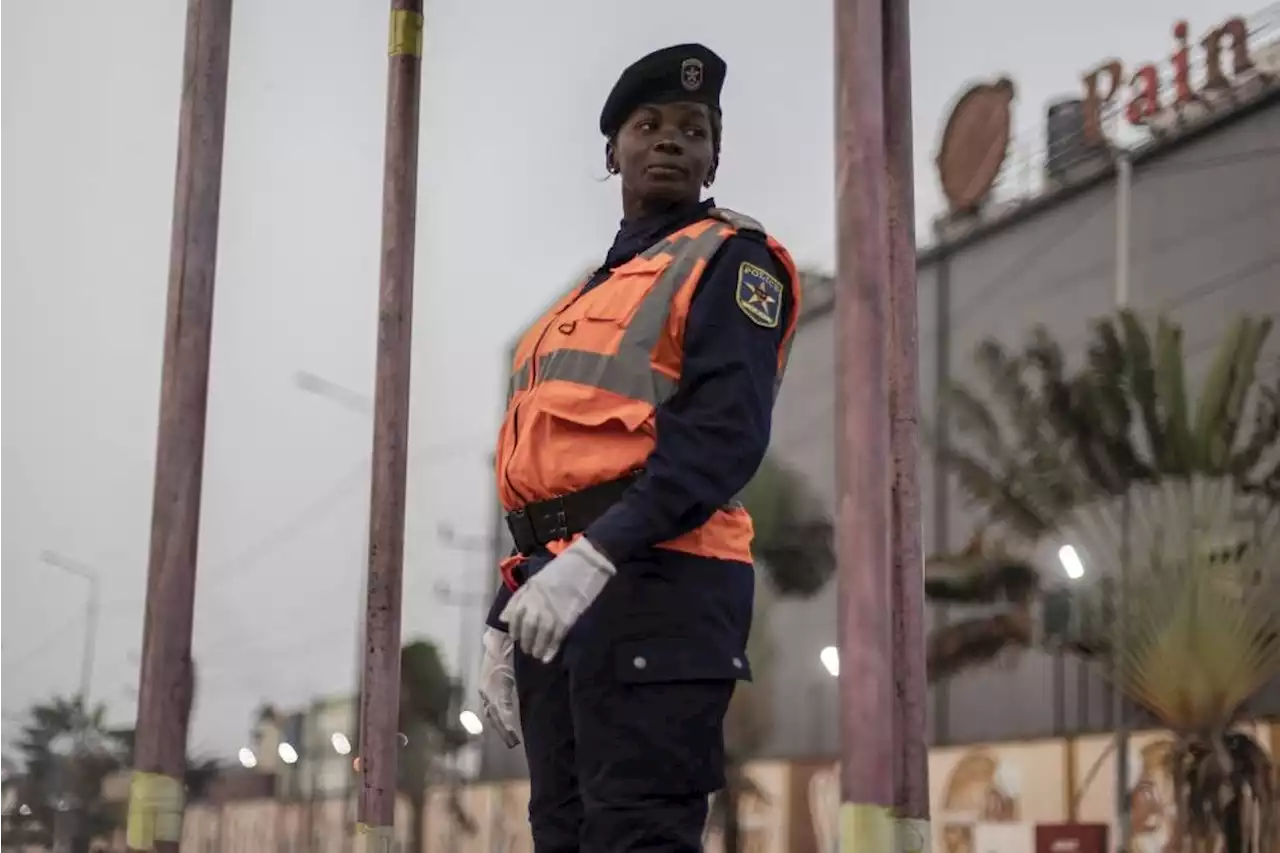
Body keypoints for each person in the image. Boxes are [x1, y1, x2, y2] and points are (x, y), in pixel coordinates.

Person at [476, 42, 802, 853]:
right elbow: (556, 474)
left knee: (638, 836)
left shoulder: (732, 261)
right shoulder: (581, 299)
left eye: (692, 129)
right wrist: (501, 614)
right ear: (611, 149)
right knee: (564, 832)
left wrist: (594, 557)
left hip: (661, 586)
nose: (669, 140)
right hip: (555, 596)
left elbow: (722, 441)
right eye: (648, 124)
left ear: (713, 154)